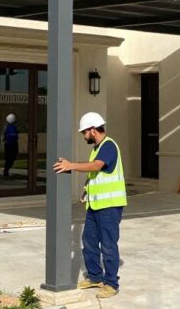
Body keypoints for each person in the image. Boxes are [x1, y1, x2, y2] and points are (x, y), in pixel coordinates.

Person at [53, 112, 126, 299]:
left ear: (93, 130)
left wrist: (70, 166)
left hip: (109, 206)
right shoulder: (97, 148)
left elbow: (96, 166)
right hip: (95, 205)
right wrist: (87, 190)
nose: (83, 135)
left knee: (108, 245)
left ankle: (111, 284)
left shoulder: (108, 146)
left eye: (84, 132)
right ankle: (95, 277)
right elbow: (97, 174)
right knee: (89, 242)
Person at [3, 114, 19, 178]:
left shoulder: (6, 127)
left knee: (8, 159)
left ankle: (6, 171)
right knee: (12, 158)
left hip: (7, 144)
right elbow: (16, 135)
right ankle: (6, 171)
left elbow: (4, 135)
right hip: (13, 144)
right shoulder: (14, 127)